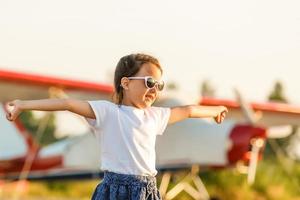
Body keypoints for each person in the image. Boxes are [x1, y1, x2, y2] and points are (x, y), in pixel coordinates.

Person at [5, 53, 228, 200]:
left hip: (147, 190)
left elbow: (188, 110)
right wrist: (23, 105)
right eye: (150, 82)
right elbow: (67, 103)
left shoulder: (155, 116)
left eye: (159, 85)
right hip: (114, 189)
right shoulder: (108, 111)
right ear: (126, 82)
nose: (155, 90)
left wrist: (215, 110)